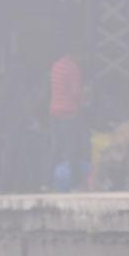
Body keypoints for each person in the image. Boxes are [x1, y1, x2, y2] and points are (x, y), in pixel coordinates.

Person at [47, 48, 87, 190]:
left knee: (55, 149)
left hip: (54, 112)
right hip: (69, 114)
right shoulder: (74, 68)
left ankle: (47, 182)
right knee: (73, 150)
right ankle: (75, 184)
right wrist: (84, 99)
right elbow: (75, 93)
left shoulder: (56, 65)